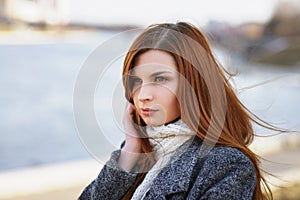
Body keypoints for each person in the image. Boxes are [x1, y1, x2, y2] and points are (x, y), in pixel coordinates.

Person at [78, 22, 275, 200]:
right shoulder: (136, 153)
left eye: (160, 79)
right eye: (136, 81)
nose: (142, 95)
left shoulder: (227, 165)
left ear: (194, 83)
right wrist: (129, 149)